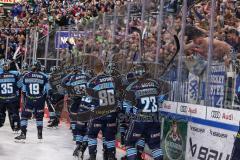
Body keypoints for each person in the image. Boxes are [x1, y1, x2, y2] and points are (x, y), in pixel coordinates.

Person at [124, 64, 164, 160]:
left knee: (130, 143)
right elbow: (161, 99)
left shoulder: (131, 87)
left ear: (135, 74)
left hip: (139, 119)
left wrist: (128, 116)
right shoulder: (155, 83)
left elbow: (127, 108)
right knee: (155, 146)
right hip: (154, 119)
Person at [86, 62, 123, 160]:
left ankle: (92, 156)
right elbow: (118, 96)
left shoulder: (92, 81)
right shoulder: (113, 80)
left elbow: (90, 100)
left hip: (98, 114)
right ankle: (111, 156)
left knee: (92, 135)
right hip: (111, 113)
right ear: (103, 69)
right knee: (110, 137)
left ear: (95, 70)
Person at [15, 60, 51, 141]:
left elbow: (20, 87)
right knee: (39, 117)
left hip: (29, 100)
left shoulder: (26, 75)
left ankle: (23, 134)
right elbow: (48, 89)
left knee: (24, 116)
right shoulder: (44, 76)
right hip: (40, 100)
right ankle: (40, 134)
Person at [61, 65, 91, 153]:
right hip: (86, 100)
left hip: (76, 99)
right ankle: (84, 137)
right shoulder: (86, 76)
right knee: (85, 120)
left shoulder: (72, 78)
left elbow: (63, 82)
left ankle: (75, 134)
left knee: (74, 117)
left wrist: (70, 74)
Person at [0, 59, 21, 132]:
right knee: (14, 114)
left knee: (1, 113)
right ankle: (16, 127)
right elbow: (19, 85)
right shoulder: (15, 74)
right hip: (13, 99)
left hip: (2, 99)